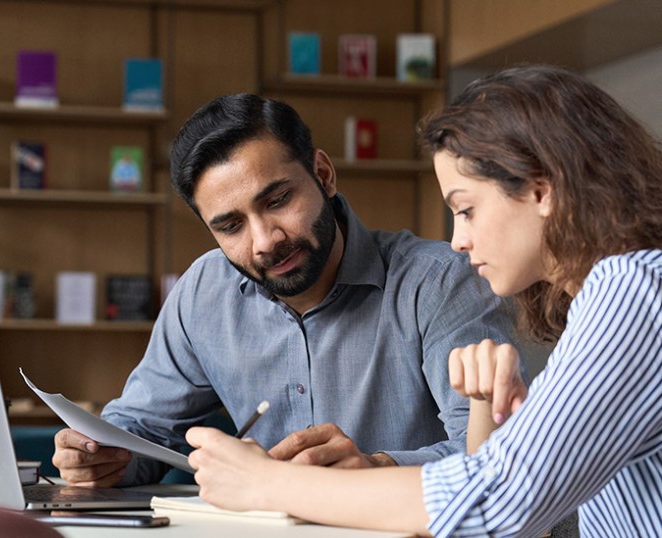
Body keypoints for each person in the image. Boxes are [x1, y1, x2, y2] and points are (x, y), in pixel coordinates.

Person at [184, 65, 662, 537]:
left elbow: (496, 503)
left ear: (541, 190)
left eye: (467, 209)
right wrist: (483, 408)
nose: (457, 240)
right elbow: (498, 505)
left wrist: (270, 483)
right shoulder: (617, 295)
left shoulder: (633, 290)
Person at [53, 93, 516, 487]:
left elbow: (497, 461)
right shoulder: (204, 292)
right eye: (231, 225)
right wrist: (100, 455)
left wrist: (376, 468)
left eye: (278, 201)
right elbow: (144, 430)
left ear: (324, 175)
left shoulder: (439, 281)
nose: (265, 241)